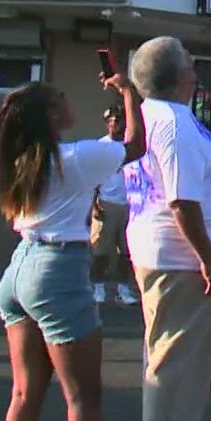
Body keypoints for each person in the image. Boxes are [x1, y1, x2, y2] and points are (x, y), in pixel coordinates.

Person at [0, 74, 167, 421]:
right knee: (83, 396)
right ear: (51, 115)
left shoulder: (23, 161)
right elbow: (135, 145)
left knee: (24, 392)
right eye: (61, 99)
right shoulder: (74, 158)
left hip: (19, 271)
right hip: (57, 272)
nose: (69, 102)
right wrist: (129, 92)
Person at [128, 36, 211, 421]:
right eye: (191, 64)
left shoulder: (148, 117)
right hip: (181, 260)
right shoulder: (172, 123)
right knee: (177, 358)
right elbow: (182, 201)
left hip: (166, 254)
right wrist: (210, 262)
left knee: (172, 355)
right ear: (177, 76)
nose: (196, 70)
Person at [88, 105, 139, 307]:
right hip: (106, 204)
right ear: (107, 123)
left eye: (120, 120)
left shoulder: (131, 147)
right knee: (100, 251)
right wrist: (93, 205)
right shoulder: (100, 147)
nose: (117, 124)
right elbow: (91, 179)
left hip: (129, 205)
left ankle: (122, 289)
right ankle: (98, 287)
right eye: (113, 120)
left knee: (126, 253)